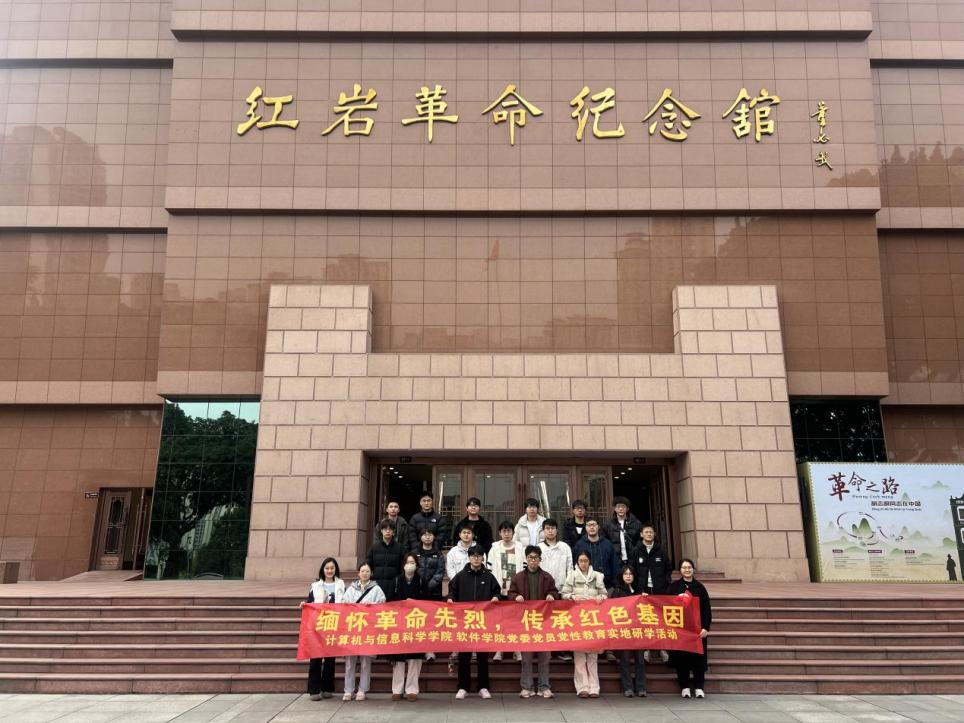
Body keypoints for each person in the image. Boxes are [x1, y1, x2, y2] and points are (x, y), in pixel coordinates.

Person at [448, 544, 500, 700]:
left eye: (479, 556)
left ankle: (483, 687)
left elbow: (497, 591)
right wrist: (450, 598)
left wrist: (496, 597)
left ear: (482, 558)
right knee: (464, 656)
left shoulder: (489, 576)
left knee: (483, 656)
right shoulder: (460, 576)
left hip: (483, 621)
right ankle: (463, 687)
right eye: (473, 556)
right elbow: (452, 591)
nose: (476, 559)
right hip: (465, 621)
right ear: (469, 558)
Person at [508, 546, 559, 699]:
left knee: (545, 657)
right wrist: (515, 597)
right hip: (526, 622)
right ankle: (527, 687)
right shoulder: (518, 577)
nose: (533, 560)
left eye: (536, 557)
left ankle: (544, 687)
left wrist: (551, 595)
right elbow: (510, 593)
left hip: (544, 622)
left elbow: (555, 592)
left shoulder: (547, 577)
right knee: (527, 658)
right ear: (526, 559)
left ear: (540, 559)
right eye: (530, 557)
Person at [561, 551, 607, 698]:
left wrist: (601, 597)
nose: (583, 563)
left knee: (593, 655)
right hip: (577, 619)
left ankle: (594, 687)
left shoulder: (598, 576)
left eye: (586, 560)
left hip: (593, 619)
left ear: (589, 561)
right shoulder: (572, 575)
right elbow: (564, 594)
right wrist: (572, 596)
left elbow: (605, 594)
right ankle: (582, 687)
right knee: (579, 654)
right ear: (577, 562)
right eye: (581, 561)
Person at [667, 558, 711, 699]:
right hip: (681, 631)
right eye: (684, 567)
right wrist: (676, 599)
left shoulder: (700, 587)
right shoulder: (674, 587)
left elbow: (706, 610)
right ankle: (685, 687)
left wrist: (705, 628)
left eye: (689, 567)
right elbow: (666, 605)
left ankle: (699, 687)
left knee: (698, 659)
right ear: (680, 570)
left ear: (693, 569)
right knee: (682, 659)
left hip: (697, 631)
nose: (687, 570)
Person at [301, 557, 345, 700]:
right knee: (316, 657)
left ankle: (327, 688)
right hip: (318, 625)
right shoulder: (315, 586)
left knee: (330, 658)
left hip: (334, 624)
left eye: (332, 568)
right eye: (327, 568)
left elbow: (346, 603)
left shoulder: (341, 584)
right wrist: (304, 604)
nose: (329, 571)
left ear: (335, 569)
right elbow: (310, 602)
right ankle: (314, 690)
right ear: (323, 570)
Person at [342, 562, 386, 701]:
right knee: (350, 662)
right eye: (362, 571)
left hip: (368, 630)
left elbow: (383, 605)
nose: (365, 573)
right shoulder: (351, 589)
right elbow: (343, 604)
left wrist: (372, 606)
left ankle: (362, 690)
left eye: (367, 571)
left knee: (366, 662)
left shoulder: (376, 589)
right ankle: (348, 690)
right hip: (353, 629)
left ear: (371, 573)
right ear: (358, 573)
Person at [631, 522, 673, 663]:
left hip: (659, 591)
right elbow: (632, 570)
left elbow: (668, 569)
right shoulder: (636, 551)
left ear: (654, 534)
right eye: (646, 532)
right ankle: (647, 649)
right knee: (645, 620)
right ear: (641, 534)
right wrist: (638, 589)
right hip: (643, 591)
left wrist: (665, 583)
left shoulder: (661, 551)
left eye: (651, 532)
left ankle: (662, 648)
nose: (649, 534)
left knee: (660, 620)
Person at [389, 552, 426, 701]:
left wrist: (415, 603)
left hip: (416, 623)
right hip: (399, 624)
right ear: (403, 564)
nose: (410, 565)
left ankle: (412, 689)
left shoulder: (422, 581)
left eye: (413, 562)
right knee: (398, 659)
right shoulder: (396, 581)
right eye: (407, 562)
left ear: (416, 565)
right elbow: (389, 602)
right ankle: (397, 689)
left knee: (414, 658)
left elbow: (427, 602)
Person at [488, 520, 525, 662]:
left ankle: (517, 649)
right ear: (500, 533)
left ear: (513, 533)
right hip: (500, 591)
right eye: (504, 531)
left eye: (509, 531)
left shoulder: (520, 548)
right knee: (500, 621)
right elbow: (490, 570)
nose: (506, 534)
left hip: (516, 591)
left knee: (517, 620)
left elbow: (525, 568)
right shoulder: (494, 549)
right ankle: (500, 649)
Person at [609, 565, 647, 698]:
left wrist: (645, 598)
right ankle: (628, 687)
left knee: (640, 660)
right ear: (622, 576)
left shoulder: (639, 590)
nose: (628, 576)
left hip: (638, 631)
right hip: (624, 631)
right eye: (626, 574)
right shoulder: (617, 591)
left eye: (630, 574)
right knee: (625, 660)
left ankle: (641, 687)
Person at [539, 518, 573, 661]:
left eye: (553, 528)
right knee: (544, 621)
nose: (550, 531)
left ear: (557, 530)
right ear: (543, 531)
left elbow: (570, 568)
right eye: (547, 528)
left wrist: (568, 588)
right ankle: (545, 650)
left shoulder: (564, 547)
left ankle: (561, 650)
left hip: (561, 589)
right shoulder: (539, 547)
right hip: (543, 591)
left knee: (561, 621)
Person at [573, 517, 618, 588]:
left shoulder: (607, 544)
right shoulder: (579, 545)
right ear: (585, 527)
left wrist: (615, 584)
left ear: (598, 527)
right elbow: (575, 565)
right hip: (585, 586)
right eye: (589, 525)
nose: (591, 527)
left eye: (594, 525)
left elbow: (614, 565)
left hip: (606, 586)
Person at [367, 518, 405, 598]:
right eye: (385, 529)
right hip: (376, 586)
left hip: (394, 587)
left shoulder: (400, 548)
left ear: (393, 531)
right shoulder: (374, 548)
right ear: (381, 531)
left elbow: (402, 569)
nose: (388, 531)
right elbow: (368, 566)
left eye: (390, 529)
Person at [605, 496, 642, 568]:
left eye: (623, 507)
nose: (621, 509)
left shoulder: (636, 523)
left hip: (632, 558)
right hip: (616, 559)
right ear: (615, 508)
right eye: (618, 507)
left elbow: (640, 539)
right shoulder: (608, 525)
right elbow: (605, 541)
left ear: (627, 509)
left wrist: (635, 550)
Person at [414, 526, 445, 600]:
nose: (427, 537)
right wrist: (419, 584)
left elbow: (440, 572)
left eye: (430, 535)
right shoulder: (415, 553)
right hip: (417, 588)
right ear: (420, 537)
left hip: (435, 590)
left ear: (434, 537)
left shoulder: (438, 554)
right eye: (425, 535)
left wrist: (429, 586)